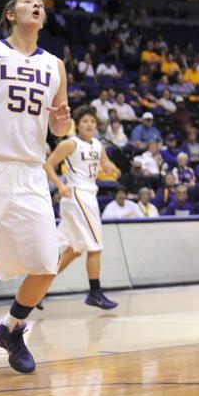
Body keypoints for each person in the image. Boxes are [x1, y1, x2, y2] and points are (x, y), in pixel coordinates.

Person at [0, 0, 70, 374]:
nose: (36, 5)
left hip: (30, 171)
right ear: (11, 14)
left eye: (40, 3)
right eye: (27, 1)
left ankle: (11, 329)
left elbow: (61, 127)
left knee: (46, 263)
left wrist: (60, 121)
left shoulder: (55, 65)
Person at [44, 105, 119, 309]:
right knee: (95, 246)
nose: (89, 124)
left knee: (75, 249)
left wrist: (112, 168)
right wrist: (60, 185)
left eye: (92, 121)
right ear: (77, 125)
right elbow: (48, 165)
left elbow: (106, 163)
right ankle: (95, 292)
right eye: (85, 121)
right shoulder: (70, 144)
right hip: (77, 195)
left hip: (88, 195)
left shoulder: (98, 144)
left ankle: (37, 290)